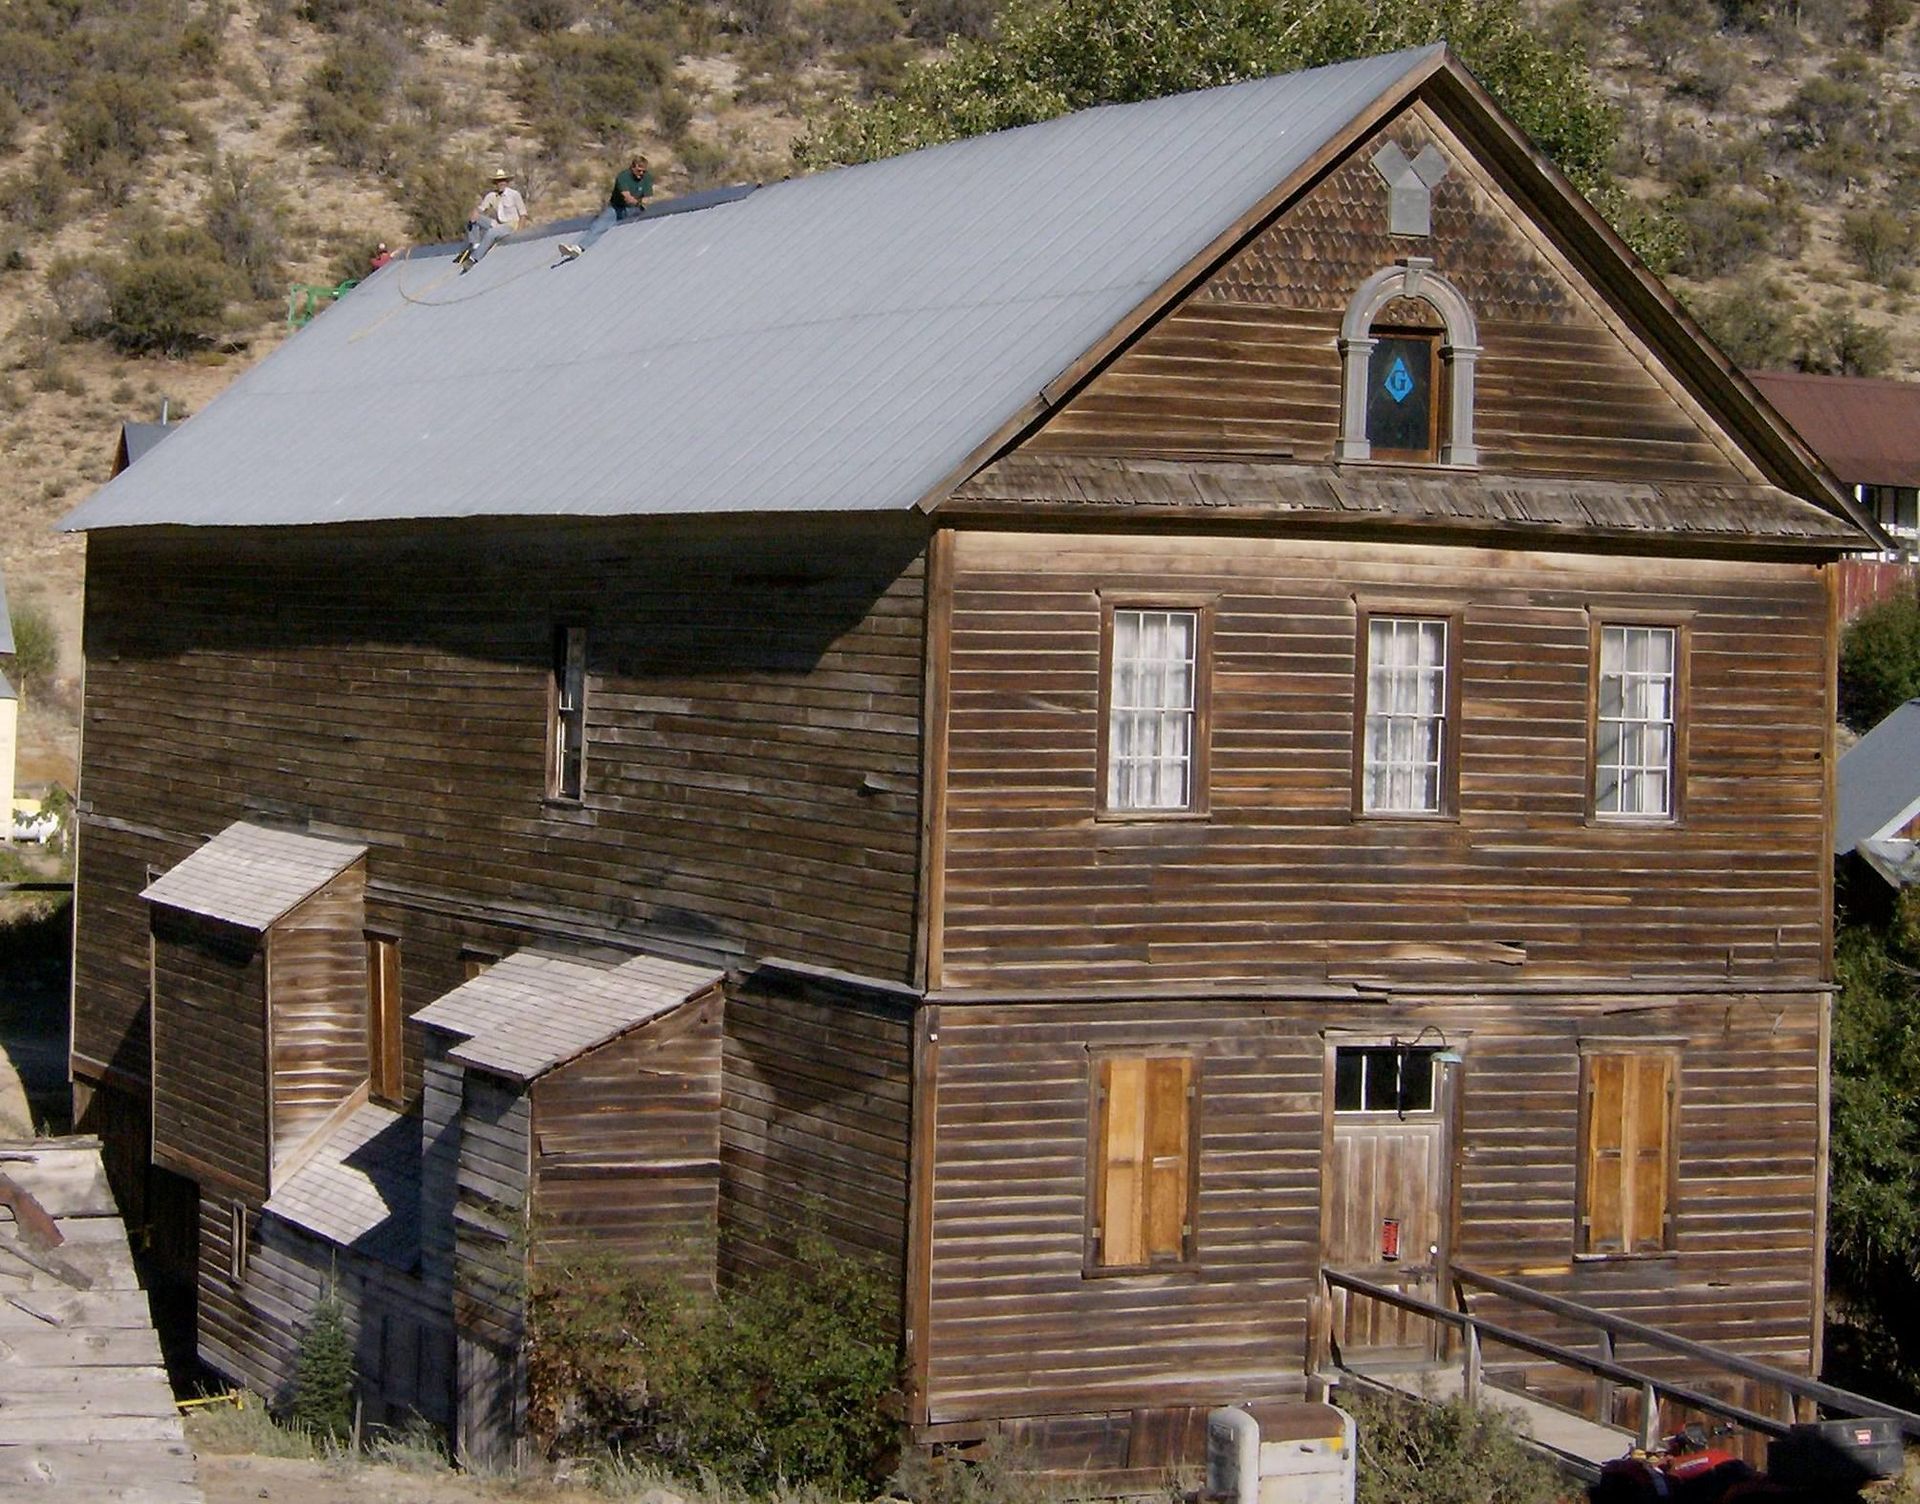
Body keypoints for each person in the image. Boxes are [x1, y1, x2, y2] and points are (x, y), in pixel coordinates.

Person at [558, 153, 653, 260]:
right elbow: (627, 197)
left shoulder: (647, 178)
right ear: (632, 167)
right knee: (600, 224)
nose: (641, 173)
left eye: (643, 171)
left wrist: (644, 204)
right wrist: (638, 203)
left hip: (634, 209)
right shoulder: (623, 176)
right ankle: (579, 248)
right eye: (639, 170)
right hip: (617, 208)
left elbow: (648, 197)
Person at [456, 168, 529, 271]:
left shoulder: (514, 194)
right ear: (495, 183)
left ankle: (474, 259)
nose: (500, 183)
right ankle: (475, 245)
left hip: (511, 225)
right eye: (498, 181)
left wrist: (520, 232)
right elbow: (481, 208)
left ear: (506, 182)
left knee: (491, 232)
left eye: (502, 181)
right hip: (498, 224)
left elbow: (523, 214)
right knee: (475, 219)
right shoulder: (491, 196)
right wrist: (475, 213)